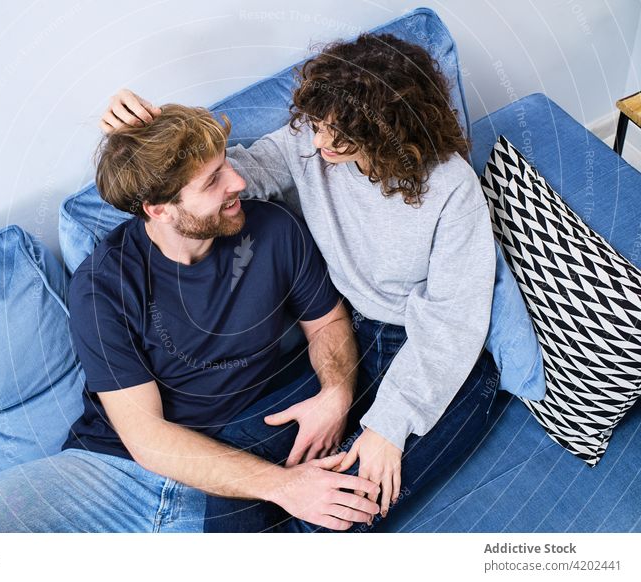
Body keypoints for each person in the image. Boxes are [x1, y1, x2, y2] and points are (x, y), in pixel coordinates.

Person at [0, 103, 382, 533]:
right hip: (114, 470)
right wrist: (282, 487)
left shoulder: (272, 229)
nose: (237, 182)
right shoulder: (102, 288)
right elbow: (147, 437)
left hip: (238, 455)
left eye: (226, 166)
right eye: (213, 179)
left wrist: (336, 392)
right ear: (159, 210)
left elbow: (327, 324)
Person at [100, 32, 500, 532]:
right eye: (316, 124)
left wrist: (387, 427)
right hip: (354, 335)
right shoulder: (308, 148)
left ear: (386, 131)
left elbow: (451, 324)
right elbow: (216, 183)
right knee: (230, 506)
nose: (317, 141)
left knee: (347, 502)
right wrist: (154, 135)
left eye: (337, 134)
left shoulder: (452, 192)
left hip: (433, 357)